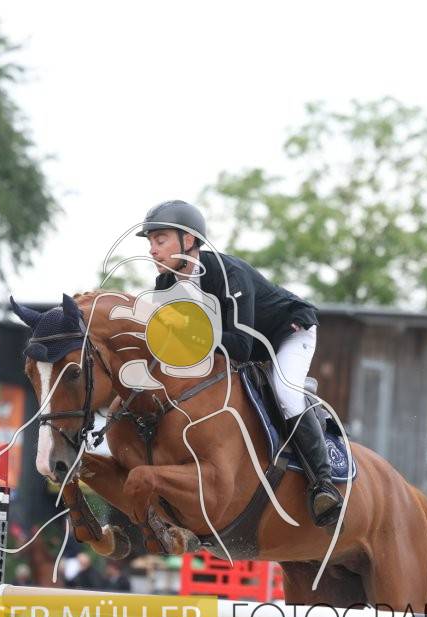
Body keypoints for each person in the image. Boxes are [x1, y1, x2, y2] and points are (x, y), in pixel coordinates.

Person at [137, 199, 342, 528]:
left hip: (287, 333)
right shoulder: (165, 286)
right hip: (243, 345)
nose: (152, 250)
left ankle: (323, 483)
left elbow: (241, 348)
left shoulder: (228, 274)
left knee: (285, 392)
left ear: (188, 240)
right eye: (150, 242)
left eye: (160, 240)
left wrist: (187, 333)